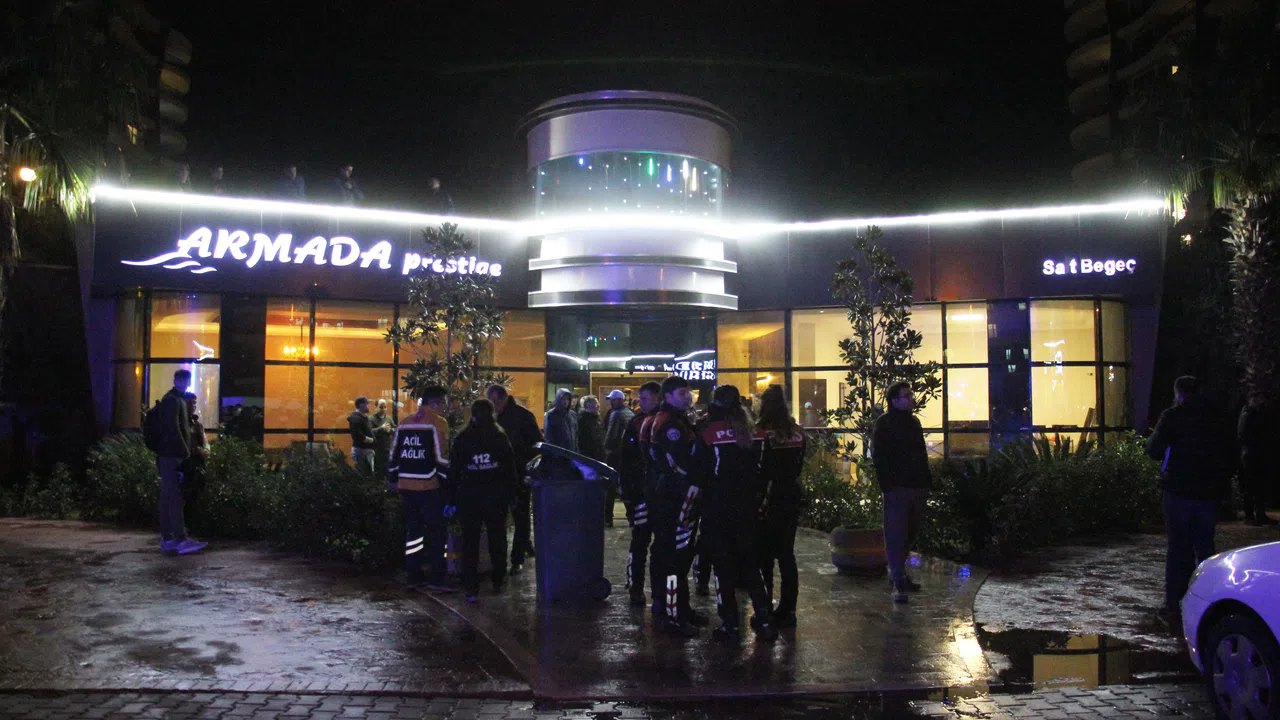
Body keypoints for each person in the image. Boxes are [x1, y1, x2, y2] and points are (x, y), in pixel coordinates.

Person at [1147, 376, 1235, 625]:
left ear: (1179, 393)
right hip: (1208, 492)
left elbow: (1154, 449)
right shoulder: (1217, 417)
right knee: (1205, 546)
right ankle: (1210, 601)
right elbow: (1230, 453)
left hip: (1179, 490)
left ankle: (1174, 604)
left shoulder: (1173, 416)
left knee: (1178, 548)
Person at [697, 385, 778, 642]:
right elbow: (766, 470)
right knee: (750, 565)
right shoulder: (756, 432)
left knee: (723, 566)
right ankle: (764, 619)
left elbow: (702, 471)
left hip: (718, 507)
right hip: (748, 507)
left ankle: (730, 624)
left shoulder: (709, 432)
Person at [645, 375, 708, 638]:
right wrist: (697, 480)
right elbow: (680, 464)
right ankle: (673, 616)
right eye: (682, 393)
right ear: (668, 396)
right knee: (674, 556)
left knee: (672, 554)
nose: (688, 396)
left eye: (688, 392)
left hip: (669, 494)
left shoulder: (676, 420)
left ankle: (676, 607)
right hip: (674, 496)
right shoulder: (670, 424)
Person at [450, 399, 516, 603]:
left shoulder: (463, 438)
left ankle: (471, 586)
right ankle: (498, 578)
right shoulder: (499, 437)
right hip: (495, 497)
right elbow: (509, 468)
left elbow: (454, 471)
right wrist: (511, 495)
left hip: (469, 498)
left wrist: (451, 499)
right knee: (497, 538)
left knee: (470, 541)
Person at [871, 381, 931, 603]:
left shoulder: (913, 423)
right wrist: (887, 485)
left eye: (910, 395)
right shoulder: (884, 424)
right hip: (897, 487)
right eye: (906, 396)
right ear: (894, 401)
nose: (911, 399)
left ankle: (899, 574)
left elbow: (921, 454)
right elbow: (879, 457)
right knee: (896, 534)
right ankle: (898, 581)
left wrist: (926, 482)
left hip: (917, 486)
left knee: (909, 532)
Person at [389, 386, 452, 591]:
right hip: (429, 486)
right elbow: (442, 458)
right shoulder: (438, 423)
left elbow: (393, 455)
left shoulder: (404, 423)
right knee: (437, 533)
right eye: (443, 404)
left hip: (406, 486)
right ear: (434, 403)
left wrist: (393, 479)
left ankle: (413, 575)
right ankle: (437, 578)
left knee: (413, 533)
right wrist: (448, 485)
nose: (444, 408)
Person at [755, 385, 807, 628]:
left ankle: (765, 606)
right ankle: (788, 609)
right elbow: (799, 466)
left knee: (764, 555)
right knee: (787, 554)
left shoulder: (762, 433)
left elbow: (760, 470)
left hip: (769, 498)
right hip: (791, 495)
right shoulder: (797, 433)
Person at [487, 384, 543, 575]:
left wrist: (524, 462)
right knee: (501, 519)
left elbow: (537, 443)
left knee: (520, 517)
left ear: (503, 398)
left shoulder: (522, 416)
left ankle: (517, 558)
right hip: (497, 476)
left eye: (495, 402)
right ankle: (504, 559)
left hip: (518, 473)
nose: (493, 407)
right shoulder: (490, 417)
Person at [155, 369, 206, 555]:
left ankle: (170, 538)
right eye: (182, 380)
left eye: (187, 380)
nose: (185, 383)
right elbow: (174, 429)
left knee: (170, 495)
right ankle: (177, 538)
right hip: (172, 456)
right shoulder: (173, 400)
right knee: (173, 496)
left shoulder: (175, 399)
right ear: (176, 380)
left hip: (170, 454)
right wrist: (185, 452)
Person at [619, 382, 660, 607]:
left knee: (646, 543)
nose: (640, 403)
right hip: (642, 492)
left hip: (654, 492)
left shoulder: (664, 421)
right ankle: (636, 587)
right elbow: (626, 458)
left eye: (644, 399)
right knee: (640, 542)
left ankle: (654, 592)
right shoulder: (636, 422)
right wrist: (627, 490)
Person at [1237, 398, 1278, 526]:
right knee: (1251, 486)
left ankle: (1259, 515)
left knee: (1259, 486)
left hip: (1256, 453)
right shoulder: (1248, 415)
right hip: (1251, 454)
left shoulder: (1255, 414)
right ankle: (1250, 516)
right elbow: (1245, 435)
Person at [603, 390, 634, 527]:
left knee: (610, 486)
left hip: (615, 454)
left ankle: (607, 517)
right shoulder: (629, 413)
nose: (611, 402)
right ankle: (632, 516)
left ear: (619, 400)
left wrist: (606, 449)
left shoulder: (615, 414)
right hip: (627, 454)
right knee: (625, 486)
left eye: (613, 400)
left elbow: (611, 434)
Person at [181, 392, 211, 527]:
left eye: (194, 403)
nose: (192, 406)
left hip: (198, 464)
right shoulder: (181, 424)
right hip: (186, 465)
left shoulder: (197, 424)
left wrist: (204, 451)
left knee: (196, 494)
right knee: (186, 496)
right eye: (190, 403)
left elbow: (205, 443)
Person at [347, 396, 377, 475]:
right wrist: (372, 441)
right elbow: (358, 435)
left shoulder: (362, 417)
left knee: (367, 475)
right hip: (361, 452)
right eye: (367, 404)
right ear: (361, 405)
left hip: (365, 451)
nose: (369, 406)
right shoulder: (355, 418)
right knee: (364, 476)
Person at [371, 399, 396, 480]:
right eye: (381, 407)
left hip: (388, 450)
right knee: (378, 474)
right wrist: (381, 429)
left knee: (388, 472)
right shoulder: (371, 419)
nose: (383, 409)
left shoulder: (388, 418)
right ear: (375, 407)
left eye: (385, 407)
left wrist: (391, 430)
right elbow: (369, 432)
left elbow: (395, 429)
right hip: (376, 451)